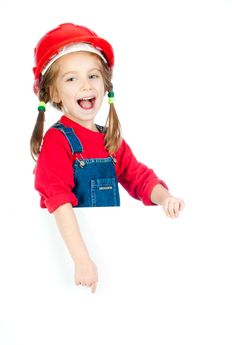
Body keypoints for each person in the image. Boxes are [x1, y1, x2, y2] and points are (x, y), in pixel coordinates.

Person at [30, 23, 185, 293]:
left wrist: (165, 198)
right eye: (71, 79)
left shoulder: (109, 139)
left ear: (105, 84)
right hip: (70, 258)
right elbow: (57, 200)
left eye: (93, 76)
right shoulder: (57, 142)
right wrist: (81, 260)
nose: (86, 85)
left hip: (106, 250)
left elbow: (139, 178)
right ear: (54, 93)